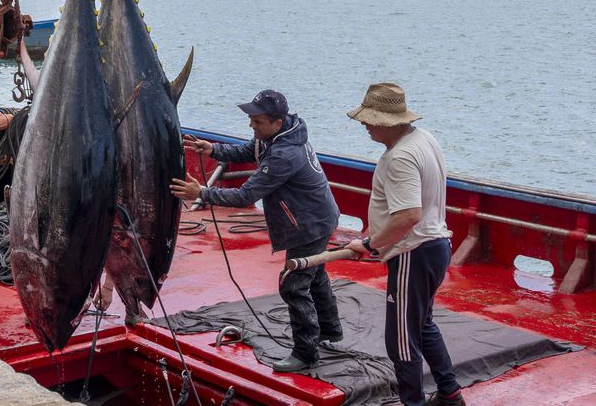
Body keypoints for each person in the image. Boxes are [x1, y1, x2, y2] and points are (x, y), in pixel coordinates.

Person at [170, 89, 342, 373]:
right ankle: (330, 331)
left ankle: (306, 353)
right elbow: (249, 150)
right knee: (316, 275)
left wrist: (201, 191)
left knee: (294, 284)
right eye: (251, 119)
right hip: (317, 217)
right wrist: (213, 149)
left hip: (310, 224)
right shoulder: (277, 136)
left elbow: (245, 196)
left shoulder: (285, 154)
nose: (252, 125)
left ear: (277, 121)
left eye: (257, 121)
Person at [344, 83, 464, 406]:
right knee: (422, 326)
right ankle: (450, 395)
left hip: (414, 253)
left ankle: (413, 402)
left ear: (386, 121)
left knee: (400, 340)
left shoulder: (399, 157)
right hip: (436, 246)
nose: (364, 125)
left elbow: (409, 215)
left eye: (368, 119)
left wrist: (370, 244)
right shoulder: (424, 139)